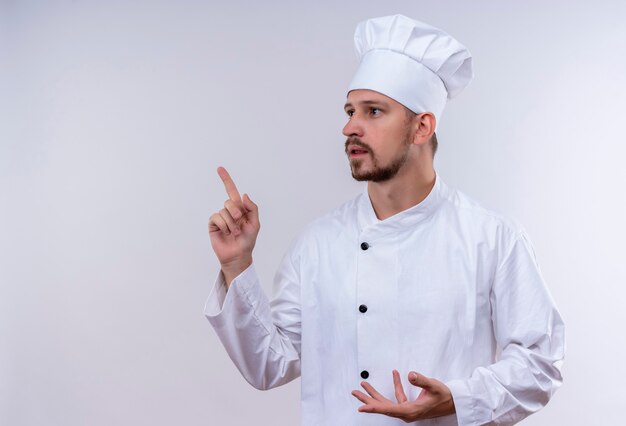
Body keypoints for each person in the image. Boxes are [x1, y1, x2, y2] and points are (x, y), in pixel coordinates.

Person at [205, 14, 564, 426]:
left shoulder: (493, 238)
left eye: (373, 112)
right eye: (350, 111)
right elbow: (269, 365)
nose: (349, 127)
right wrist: (236, 265)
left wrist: (457, 399)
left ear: (421, 127)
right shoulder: (318, 243)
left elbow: (541, 363)